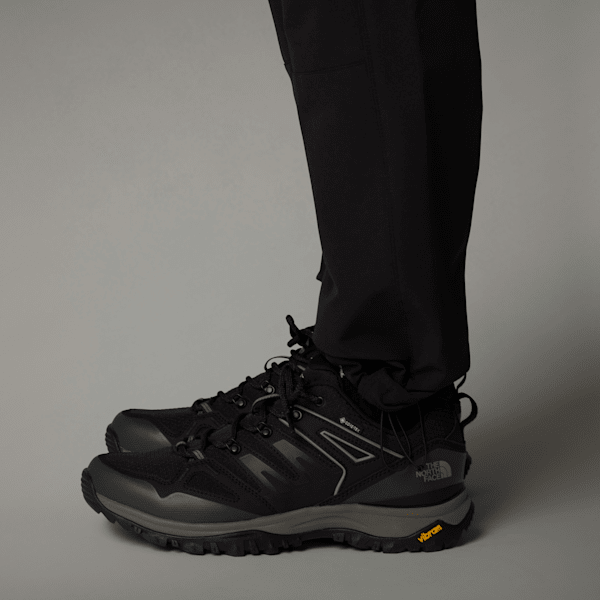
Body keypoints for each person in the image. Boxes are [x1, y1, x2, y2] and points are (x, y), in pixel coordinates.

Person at [81, 0, 483, 556]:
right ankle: (361, 363)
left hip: (390, 410)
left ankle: (383, 400)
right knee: (337, 29)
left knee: (376, 24)